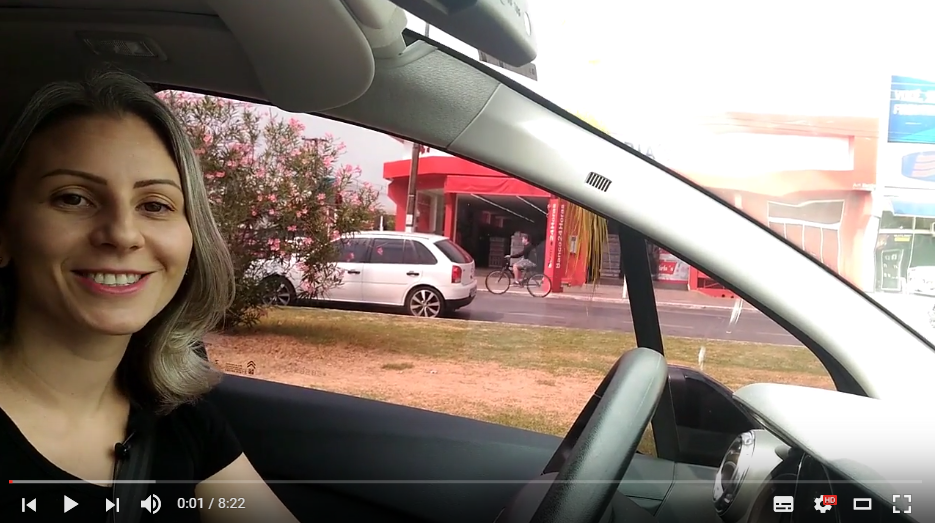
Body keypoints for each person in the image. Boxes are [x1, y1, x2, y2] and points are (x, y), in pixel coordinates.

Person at [0, 72, 299, 522]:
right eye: (74, 198)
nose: (123, 234)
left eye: (155, 205)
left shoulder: (181, 421)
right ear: (5, 232)